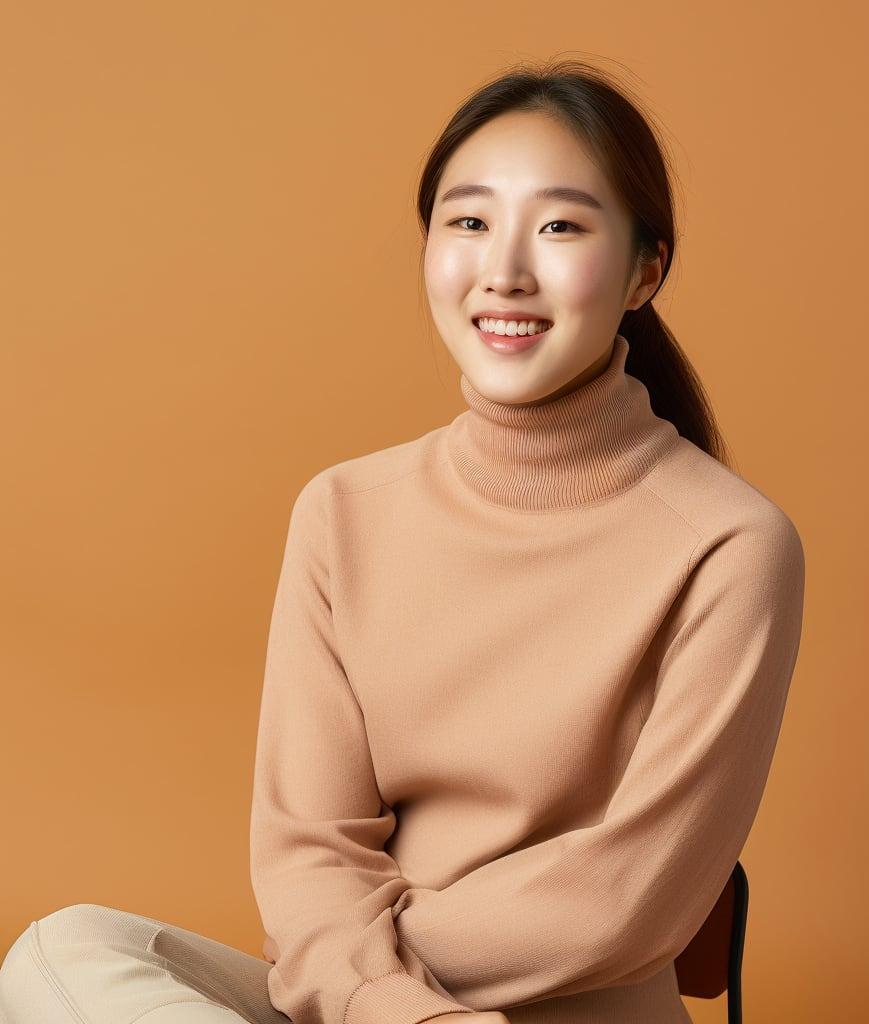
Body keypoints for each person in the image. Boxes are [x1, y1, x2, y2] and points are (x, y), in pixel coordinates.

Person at [0, 58, 805, 1024]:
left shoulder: (730, 544)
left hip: (480, 1007)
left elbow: (627, 898)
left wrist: (356, 978)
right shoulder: (345, 511)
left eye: (559, 226)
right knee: (67, 949)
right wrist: (385, 1000)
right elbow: (308, 849)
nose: (503, 269)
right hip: (369, 1003)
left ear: (646, 270)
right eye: (467, 222)